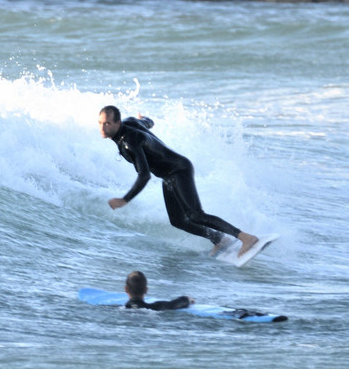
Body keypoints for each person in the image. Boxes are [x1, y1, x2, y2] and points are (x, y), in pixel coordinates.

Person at [98, 105, 258, 258]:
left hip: (179, 170)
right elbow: (149, 122)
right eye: (100, 123)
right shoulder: (131, 121)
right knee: (177, 221)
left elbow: (145, 175)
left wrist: (125, 199)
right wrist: (143, 118)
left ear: (117, 123)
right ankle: (219, 239)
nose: (102, 128)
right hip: (168, 175)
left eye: (107, 124)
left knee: (195, 215)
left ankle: (245, 237)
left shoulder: (129, 142)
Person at [123, 270, 193, 311]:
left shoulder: (121, 309)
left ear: (126, 289)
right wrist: (187, 299)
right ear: (146, 290)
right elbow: (174, 304)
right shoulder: (155, 307)